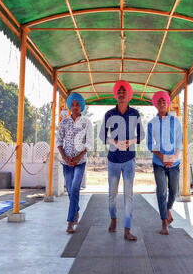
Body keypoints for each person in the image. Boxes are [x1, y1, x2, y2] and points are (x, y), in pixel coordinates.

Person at [99, 80, 145, 241]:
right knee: (112, 195)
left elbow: (141, 136)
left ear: (128, 95)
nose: (121, 93)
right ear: (116, 95)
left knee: (128, 195)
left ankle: (127, 229)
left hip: (129, 161)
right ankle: (113, 219)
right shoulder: (109, 114)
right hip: (113, 160)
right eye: (119, 91)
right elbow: (102, 136)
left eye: (124, 91)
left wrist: (129, 143)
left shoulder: (135, 113)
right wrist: (115, 142)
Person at [56, 93, 93, 234]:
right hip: (66, 162)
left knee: (75, 188)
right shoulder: (64, 122)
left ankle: (70, 222)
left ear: (81, 106)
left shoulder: (87, 122)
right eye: (73, 104)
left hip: (80, 161)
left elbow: (89, 143)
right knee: (70, 190)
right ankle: (76, 210)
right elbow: (59, 141)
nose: (75, 107)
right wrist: (65, 157)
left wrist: (77, 158)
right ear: (70, 106)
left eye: (78, 104)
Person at [147, 91, 183, 235]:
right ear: (155, 104)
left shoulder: (176, 121)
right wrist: (162, 157)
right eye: (159, 101)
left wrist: (174, 157)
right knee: (161, 191)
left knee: (174, 190)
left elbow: (179, 141)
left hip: (174, 162)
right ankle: (164, 222)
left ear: (168, 103)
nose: (162, 103)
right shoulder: (151, 123)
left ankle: (168, 209)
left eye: (164, 101)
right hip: (159, 162)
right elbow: (150, 144)